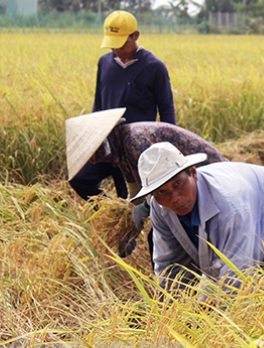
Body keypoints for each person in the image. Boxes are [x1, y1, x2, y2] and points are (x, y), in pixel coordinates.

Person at [133, 142, 264, 299]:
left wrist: (223, 334)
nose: (174, 198)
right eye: (161, 192)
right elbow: (169, 266)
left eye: (178, 184)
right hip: (247, 216)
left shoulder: (230, 205)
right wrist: (171, 318)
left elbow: (237, 276)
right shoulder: (160, 209)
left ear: (193, 173)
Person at [65, 108, 227, 258]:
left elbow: (159, 186)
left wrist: (142, 210)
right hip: (181, 184)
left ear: (103, 143)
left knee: (162, 235)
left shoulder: (135, 141)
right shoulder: (122, 148)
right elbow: (136, 192)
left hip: (202, 175)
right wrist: (128, 225)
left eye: (94, 154)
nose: (95, 160)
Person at [69, 10, 176, 201]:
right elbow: (99, 104)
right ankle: (110, 215)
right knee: (80, 179)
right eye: (112, 45)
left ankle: (148, 228)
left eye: (120, 43)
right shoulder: (104, 63)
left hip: (138, 147)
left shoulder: (153, 67)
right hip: (110, 143)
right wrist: (94, 140)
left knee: (137, 198)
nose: (115, 49)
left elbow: (166, 108)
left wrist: (167, 148)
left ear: (135, 36)